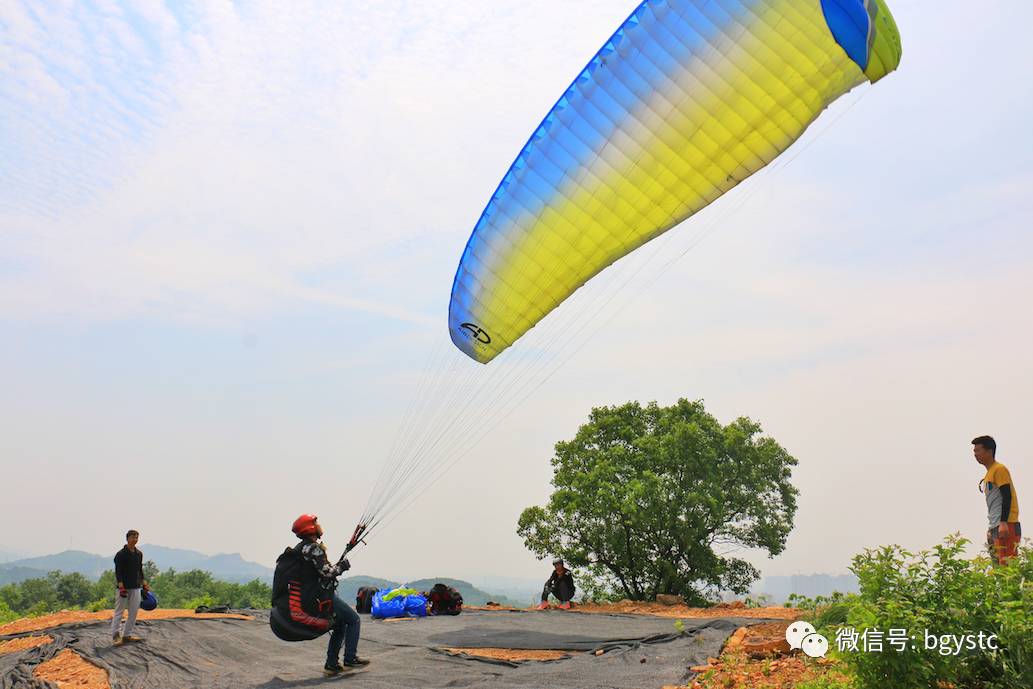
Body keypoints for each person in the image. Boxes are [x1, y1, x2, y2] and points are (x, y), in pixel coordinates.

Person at [291, 514, 370, 676]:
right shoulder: (314, 548)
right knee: (354, 619)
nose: (319, 525)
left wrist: (334, 567)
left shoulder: (300, 548)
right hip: (321, 596)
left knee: (340, 625)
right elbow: (328, 573)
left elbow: (318, 570)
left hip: (310, 596)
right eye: (316, 523)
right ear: (310, 528)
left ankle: (332, 663)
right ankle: (350, 658)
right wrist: (343, 567)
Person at [973, 436, 1022, 565]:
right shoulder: (989, 473)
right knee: (998, 567)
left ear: (989, 451)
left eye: (978, 450)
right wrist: (991, 528)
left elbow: (1007, 495)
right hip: (995, 525)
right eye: (974, 451)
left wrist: (1004, 522)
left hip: (1006, 524)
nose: (975, 454)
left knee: (1008, 567)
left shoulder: (999, 469)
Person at [111, 529, 149, 645]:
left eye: (137, 537)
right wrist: (121, 586)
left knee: (133, 611)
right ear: (127, 538)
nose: (135, 540)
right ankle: (116, 636)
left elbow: (139, 569)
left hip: (135, 586)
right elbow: (118, 571)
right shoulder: (121, 554)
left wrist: (144, 583)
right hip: (123, 587)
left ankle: (127, 635)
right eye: (133, 537)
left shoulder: (138, 554)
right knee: (119, 612)